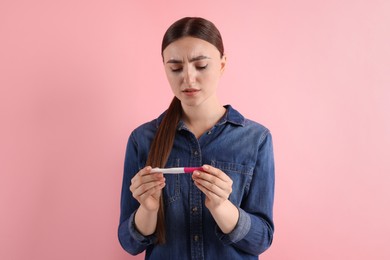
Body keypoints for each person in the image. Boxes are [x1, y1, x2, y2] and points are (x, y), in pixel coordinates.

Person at [118, 17, 275, 259]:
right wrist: (148, 209)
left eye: (201, 66)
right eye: (175, 68)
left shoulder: (256, 139)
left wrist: (222, 207)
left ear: (222, 64)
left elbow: (261, 240)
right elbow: (130, 244)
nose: (188, 79)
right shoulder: (142, 139)